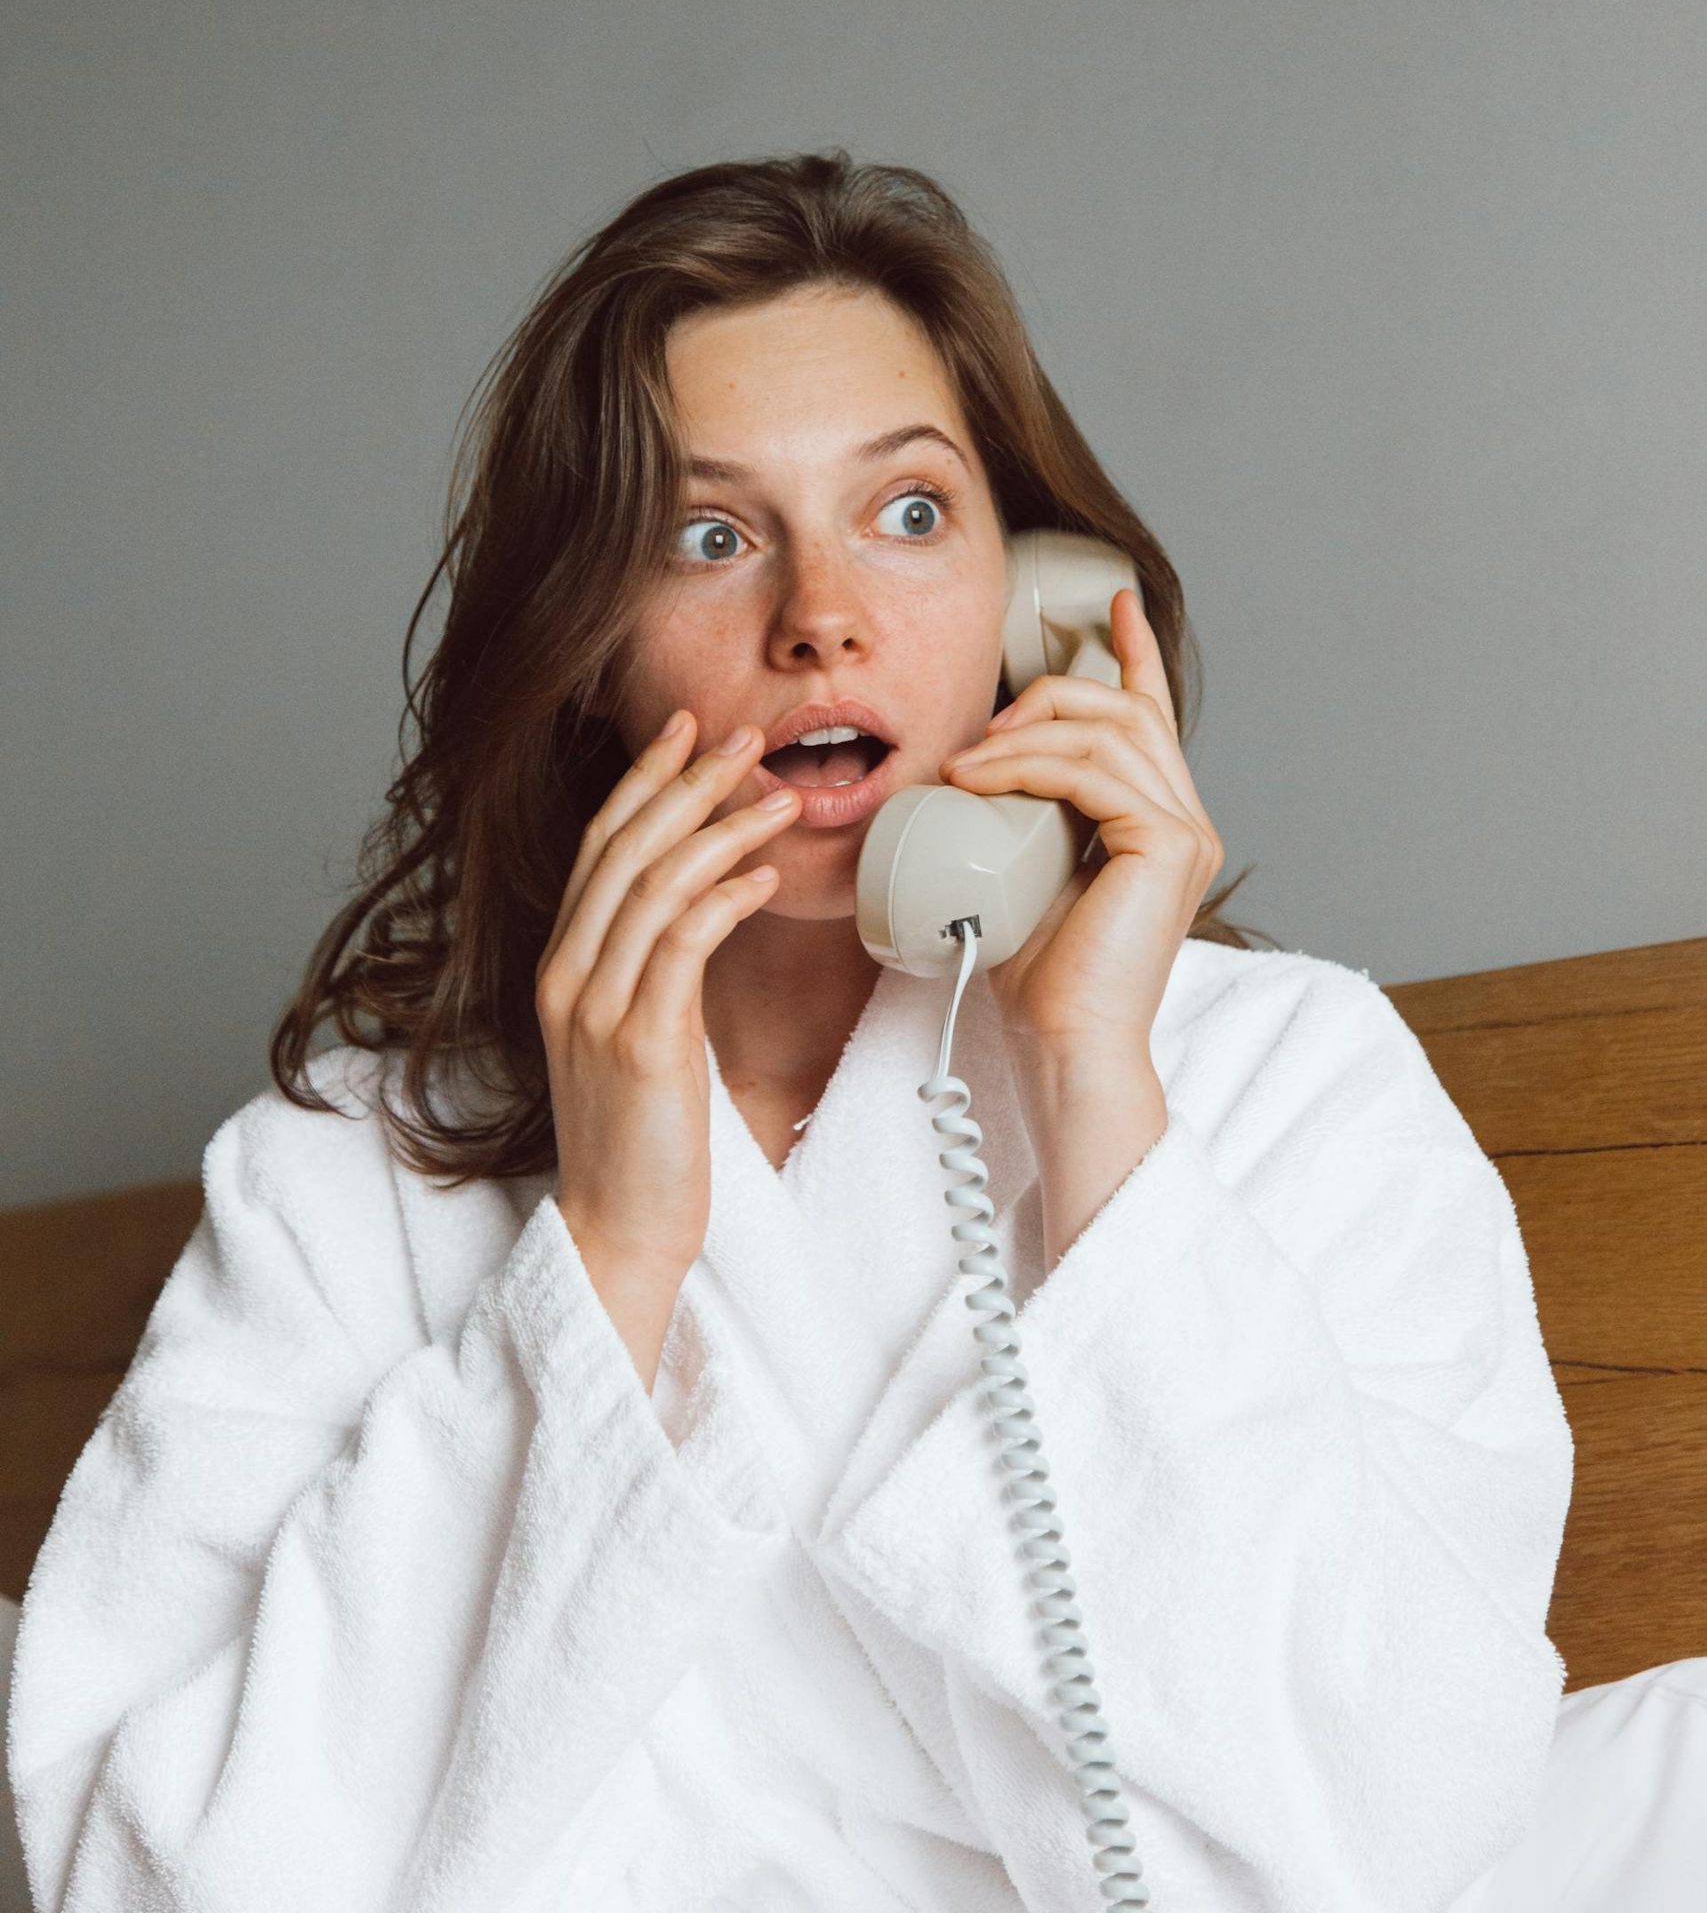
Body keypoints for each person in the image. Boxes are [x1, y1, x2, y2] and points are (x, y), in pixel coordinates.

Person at [6, 152, 1573, 1912]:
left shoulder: (1290, 1082)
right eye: (710, 534)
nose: (820, 612)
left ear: (1033, 594)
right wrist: (606, 1260)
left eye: (910, 516)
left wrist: (1097, 1106)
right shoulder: (348, 1170)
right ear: (590, 647)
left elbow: (1413, 1823)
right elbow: (127, 1869)